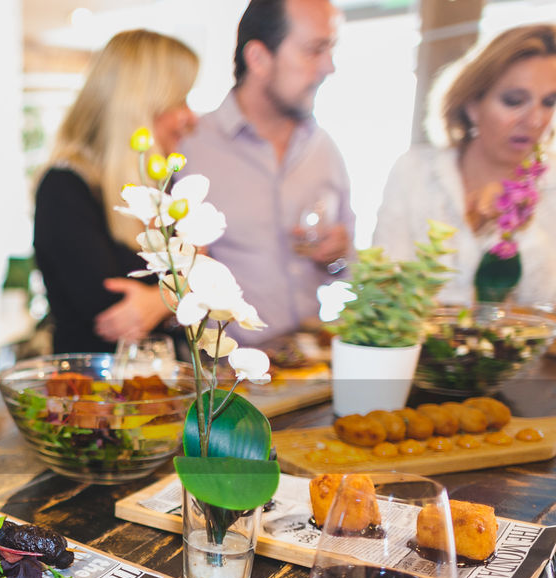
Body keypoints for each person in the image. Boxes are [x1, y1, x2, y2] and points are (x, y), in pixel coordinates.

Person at [181, 0, 354, 345]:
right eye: (314, 50)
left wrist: (337, 257)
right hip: (226, 384)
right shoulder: (189, 148)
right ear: (258, 58)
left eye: (331, 49)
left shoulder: (325, 149)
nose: (329, 67)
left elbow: (348, 267)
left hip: (310, 367)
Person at [33, 30, 199, 354]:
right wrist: (181, 292)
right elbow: (113, 315)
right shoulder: (64, 189)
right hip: (95, 394)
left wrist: (158, 301)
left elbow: (205, 267)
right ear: (140, 105)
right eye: (180, 101)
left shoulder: (161, 184)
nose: (191, 117)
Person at [374, 25, 556, 306]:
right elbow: (384, 286)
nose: (535, 121)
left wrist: (522, 228)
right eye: (514, 101)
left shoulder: (550, 185)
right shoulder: (415, 172)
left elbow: (546, 306)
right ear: (472, 103)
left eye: (549, 102)